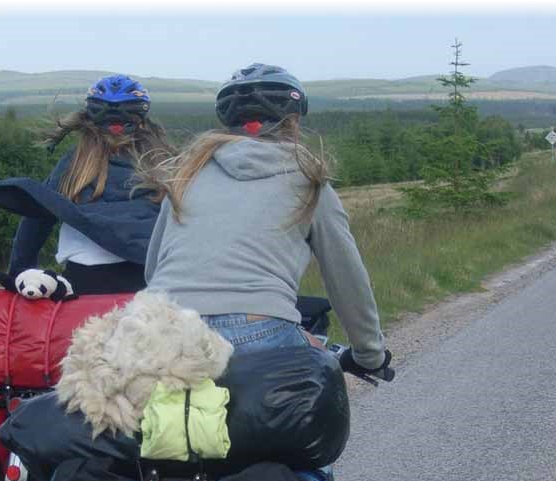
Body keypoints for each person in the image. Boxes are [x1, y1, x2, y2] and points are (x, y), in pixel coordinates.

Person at [138, 63, 391, 378]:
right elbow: (347, 279)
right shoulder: (309, 181)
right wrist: (369, 355)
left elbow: (153, 270)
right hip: (257, 328)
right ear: (294, 120)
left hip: (158, 327)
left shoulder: (187, 176)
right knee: (316, 387)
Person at [0, 74, 173, 296]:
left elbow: (38, 216)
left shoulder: (74, 164)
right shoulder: (163, 164)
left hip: (84, 279)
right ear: (141, 120)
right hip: (149, 276)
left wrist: (20, 270)